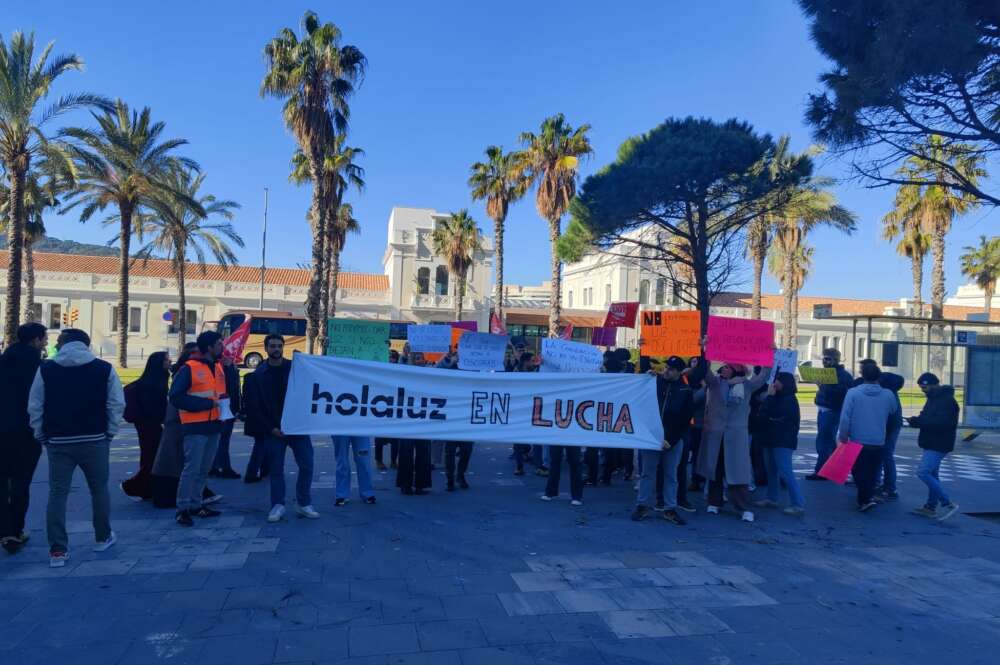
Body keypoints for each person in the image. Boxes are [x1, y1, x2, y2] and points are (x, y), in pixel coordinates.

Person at [27, 329, 124, 567]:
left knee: (57, 493)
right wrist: (110, 431)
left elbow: (35, 404)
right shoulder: (104, 369)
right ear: (86, 344)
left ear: (63, 343)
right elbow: (116, 403)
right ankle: (102, 537)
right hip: (94, 438)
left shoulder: (46, 369)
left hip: (59, 440)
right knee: (99, 489)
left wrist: (40, 433)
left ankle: (58, 550)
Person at [243, 334, 319, 522]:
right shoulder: (257, 376)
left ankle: (303, 503)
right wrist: (270, 429)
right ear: (266, 348)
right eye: (272, 346)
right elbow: (254, 407)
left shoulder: (295, 369)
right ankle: (277, 504)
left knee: (307, 465)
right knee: (276, 470)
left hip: (297, 428)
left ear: (283, 347)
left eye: (279, 345)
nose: (276, 349)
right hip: (274, 430)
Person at [695, 357, 770, 523]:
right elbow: (704, 370)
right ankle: (714, 502)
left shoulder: (747, 386)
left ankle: (743, 507)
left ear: (738, 370)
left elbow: (764, 376)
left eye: (728, 367)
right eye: (724, 367)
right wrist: (704, 351)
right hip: (715, 434)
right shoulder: (715, 384)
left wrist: (768, 357)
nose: (724, 369)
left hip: (736, 436)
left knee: (738, 474)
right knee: (715, 469)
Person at [169, 331, 227, 526]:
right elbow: (175, 396)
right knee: (192, 469)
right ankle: (182, 508)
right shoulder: (189, 368)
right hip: (195, 426)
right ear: (209, 347)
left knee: (204, 469)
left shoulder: (218, 367)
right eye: (219, 343)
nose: (222, 346)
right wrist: (206, 405)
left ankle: (196, 504)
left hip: (214, 425)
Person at [0, 323, 47, 554]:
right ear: (36, 340)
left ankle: (5, 529)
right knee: (21, 482)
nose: (46, 343)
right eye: (44, 339)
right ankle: (14, 530)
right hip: (26, 432)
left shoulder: (3, 361)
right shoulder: (40, 367)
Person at [632, 356, 693, 525]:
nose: (667, 371)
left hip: (672, 439)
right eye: (666, 367)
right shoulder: (654, 382)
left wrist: (671, 440)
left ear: (680, 372)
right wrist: (646, 374)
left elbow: (685, 419)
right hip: (651, 437)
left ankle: (670, 508)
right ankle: (642, 505)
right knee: (647, 473)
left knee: (670, 474)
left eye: (672, 369)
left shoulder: (685, 391)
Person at [837, 362, 899, 512]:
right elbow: (893, 410)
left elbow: (845, 417)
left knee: (858, 471)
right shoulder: (888, 394)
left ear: (862, 375)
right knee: (872, 471)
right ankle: (867, 497)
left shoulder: (853, 393)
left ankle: (865, 499)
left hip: (857, 437)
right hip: (878, 437)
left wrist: (843, 436)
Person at [908, 373, 960, 521]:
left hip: (939, 443)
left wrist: (920, 422)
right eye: (921, 388)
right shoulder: (933, 399)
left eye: (924, 387)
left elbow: (943, 424)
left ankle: (947, 503)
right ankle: (930, 507)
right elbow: (926, 417)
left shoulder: (948, 401)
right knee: (932, 475)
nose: (923, 390)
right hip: (932, 441)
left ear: (934, 384)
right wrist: (916, 420)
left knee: (923, 472)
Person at [753, 372, 805, 516]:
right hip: (770, 438)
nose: (774, 383)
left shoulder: (788, 399)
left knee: (785, 470)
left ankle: (798, 503)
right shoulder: (777, 397)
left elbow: (770, 414)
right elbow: (764, 415)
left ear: (785, 383)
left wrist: (769, 397)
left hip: (782, 440)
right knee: (771, 470)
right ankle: (772, 498)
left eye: (778, 381)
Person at [121, 351, 170, 500]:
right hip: (149, 423)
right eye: (167, 360)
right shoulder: (153, 383)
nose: (170, 362)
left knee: (150, 454)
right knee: (152, 456)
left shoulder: (156, 379)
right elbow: (153, 405)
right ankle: (135, 485)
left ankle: (146, 487)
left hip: (147, 423)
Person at [806, 349, 853, 480]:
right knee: (828, 441)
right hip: (824, 408)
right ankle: (831, 469)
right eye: (824, 359)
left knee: (824, 441)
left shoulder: (842, 375)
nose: (824, 361)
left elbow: (841, 393)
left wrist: (823, 386)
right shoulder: (830, 373)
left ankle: (821, 471)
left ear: (836, 360)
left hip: (832, 410)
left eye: (827, 359)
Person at [437, 347, 473, 491]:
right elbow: (436, 370)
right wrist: (448, 360)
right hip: (451, 415)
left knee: (466, 450)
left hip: (467, 416)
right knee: (450, 451)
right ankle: (450, 478)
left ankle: (461, 475)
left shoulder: (472, 371)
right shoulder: (448, 368)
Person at [209, 354, 243, 479]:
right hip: (224, 408)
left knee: (221, 440)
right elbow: (231, 387)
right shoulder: (220, 366)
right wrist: (229, 368)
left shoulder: (222, 365)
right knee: (223, 441)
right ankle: (224, 467)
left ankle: (215, 466)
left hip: (226, 407)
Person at [876, 370, 904, 501]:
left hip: (889, 429)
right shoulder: (891, 393)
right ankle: (887, 485)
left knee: (887, 457)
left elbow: (890, 416)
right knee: (885, 457)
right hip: (890, 428)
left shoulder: (888, 395)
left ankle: (890, 487)